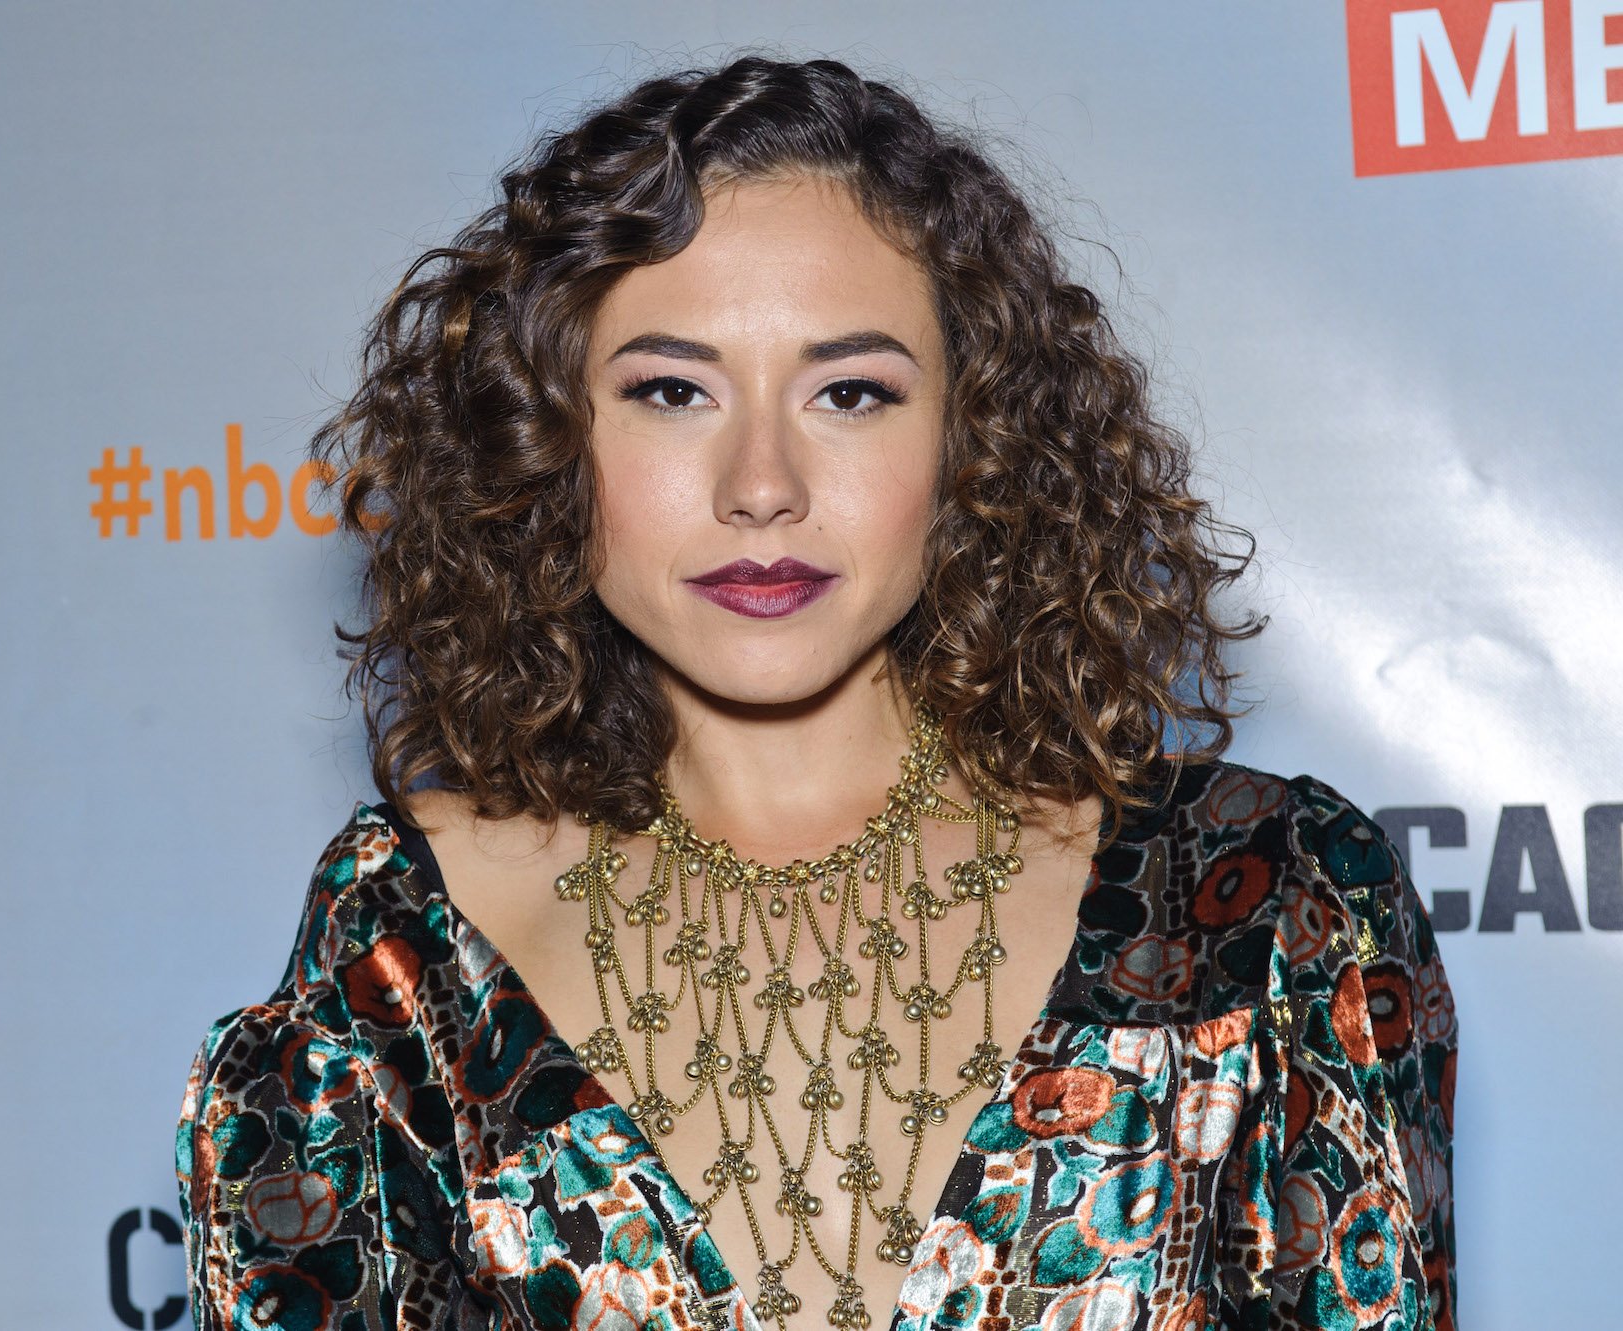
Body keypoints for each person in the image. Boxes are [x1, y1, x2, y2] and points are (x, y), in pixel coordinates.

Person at [173, 55, 1457, 1331]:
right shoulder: (406, 947)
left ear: (973, 438)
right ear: (544, 438)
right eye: (670, 391)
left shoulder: (1264, 902)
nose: (761, 485)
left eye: (848, 393)